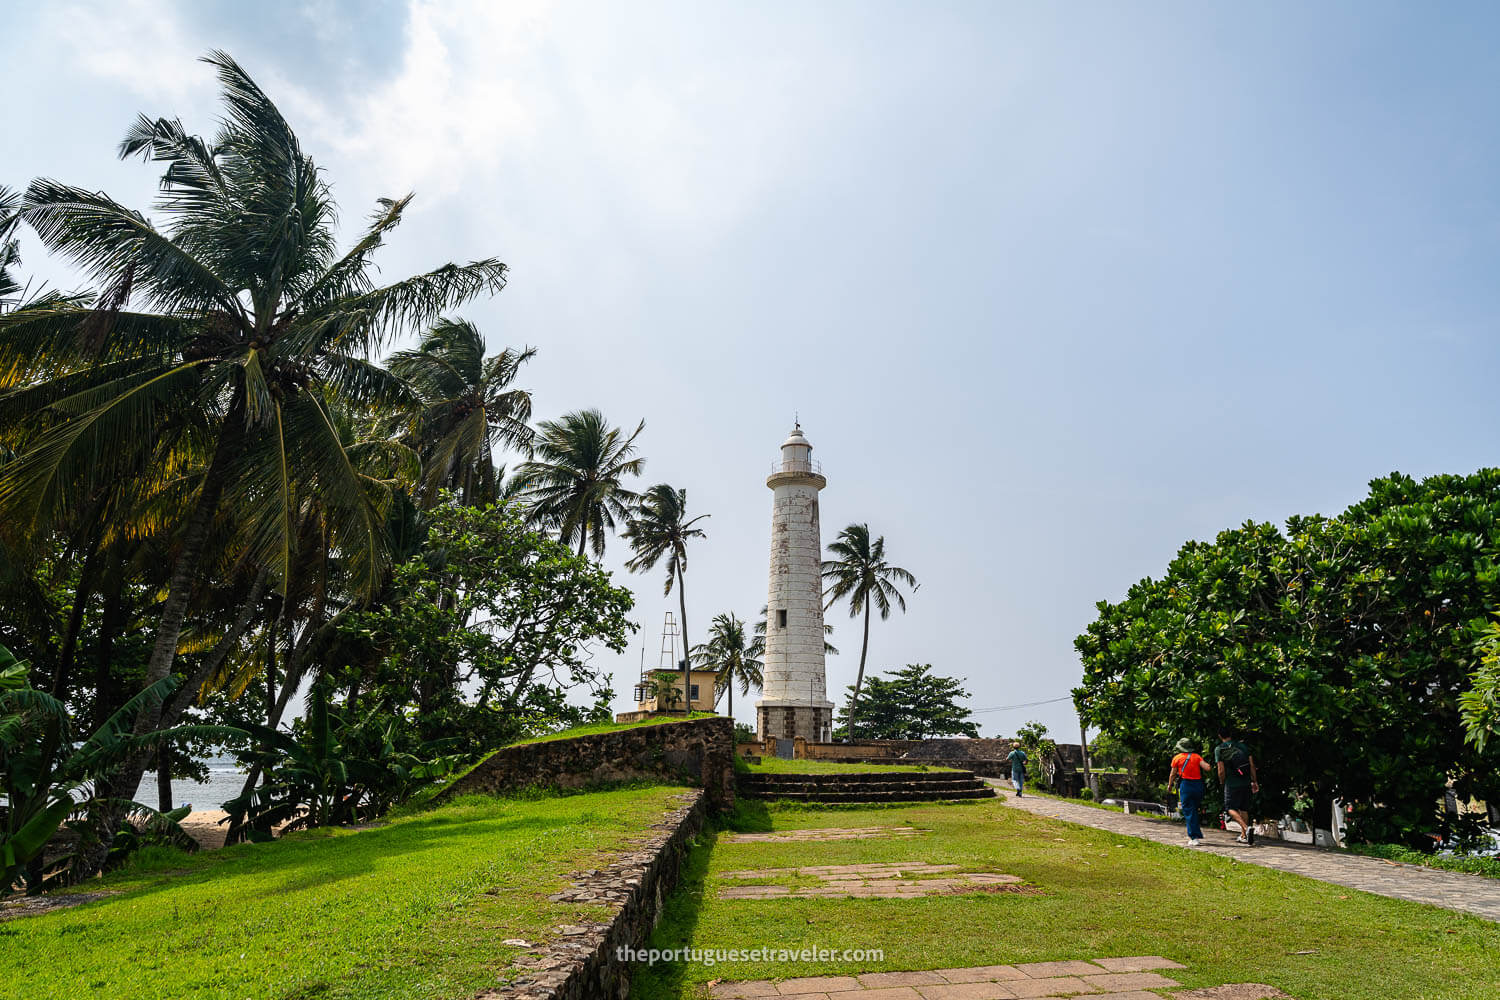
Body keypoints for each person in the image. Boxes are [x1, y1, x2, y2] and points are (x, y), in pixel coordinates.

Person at [1214, 726, 1259, 845]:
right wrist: (1254, 781)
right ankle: (1244, 836)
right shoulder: (1242, 746)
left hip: (1232, 783)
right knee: (1244, 808)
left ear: (1220, 736)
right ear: (1230, 734)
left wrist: (1222, 781)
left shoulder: (1220, 749)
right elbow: (1251, 765)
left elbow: (1221, 770)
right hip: (1245, 782)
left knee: (1230, 808)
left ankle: (1246, 828)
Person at [1167, 738, 1208, 846]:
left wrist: (1170, 785)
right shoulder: (1197, 757)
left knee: (1189, 811)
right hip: (1198, 786)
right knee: (1194, 809)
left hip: (1186, 785)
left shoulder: (1177, 758)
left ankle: (1194, 837)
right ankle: (1197, 833)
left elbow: (1173, 774)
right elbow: (1207, 768)